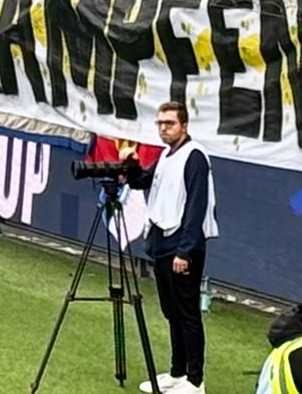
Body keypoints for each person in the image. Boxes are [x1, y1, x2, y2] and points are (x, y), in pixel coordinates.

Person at [124, 100, 216, 394]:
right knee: (171, 311)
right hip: (162, 243)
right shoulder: (166, 155)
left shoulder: (195, 156)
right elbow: (142, 182)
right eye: (160, 123)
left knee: (187, 313)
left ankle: (195, 381)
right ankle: (178, 372)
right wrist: (132, 163)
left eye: (170, 123)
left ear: (184, 125)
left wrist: (184, 251)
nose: (164, 128)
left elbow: (196, 206)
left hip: (182, 245)